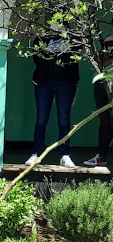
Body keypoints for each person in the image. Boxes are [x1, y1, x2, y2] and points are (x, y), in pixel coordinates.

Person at [25, 30, 80, 168]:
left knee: (64, 120)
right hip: (44, 82)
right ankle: (36, 154)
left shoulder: (73, 37)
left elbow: (76, 57)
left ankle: (65, 155)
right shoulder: (42, 37)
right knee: (41, 119)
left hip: (66, 83)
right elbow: (36, 56)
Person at [84, 36, 113, 167]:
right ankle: (101, 156)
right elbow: (99, 62)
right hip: (104, 83)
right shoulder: (107, 41)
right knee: (105, 120)